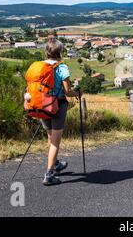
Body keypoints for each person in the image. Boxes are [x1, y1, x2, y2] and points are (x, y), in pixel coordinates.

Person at [41, 38, 81, 186]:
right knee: (56, 142)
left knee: (50, 137)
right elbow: (67, 91)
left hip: (42, 105)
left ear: (46, 52)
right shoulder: (61, 67)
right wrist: (78, 93)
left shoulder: (40, 66)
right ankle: (49, 174)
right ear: (61, 52)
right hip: (57, 105)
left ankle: (56, 163)